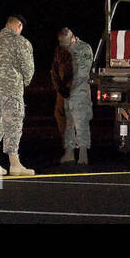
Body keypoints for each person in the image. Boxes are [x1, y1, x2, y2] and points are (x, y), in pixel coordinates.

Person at [0, 15, 36, 176]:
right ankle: (14, 164)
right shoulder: (21, 42)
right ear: (19, 25)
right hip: (11, 89)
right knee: (13, 125)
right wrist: (25, 81)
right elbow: (27, 67)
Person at [58, 29, 94, 165]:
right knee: (68, 124)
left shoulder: (84, 48)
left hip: (80, 92)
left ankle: (83, 154)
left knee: (81, 123)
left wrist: (69, 85)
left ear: (73, 38)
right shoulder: (62, 49)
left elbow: (83, 72)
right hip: (67, 93)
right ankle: (69, 153)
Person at [51, 39, 74, 142]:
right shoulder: (60, 51)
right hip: (64, 89)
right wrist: (60, 88)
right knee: (61, 113)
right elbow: (55, 70)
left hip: (71, 89)